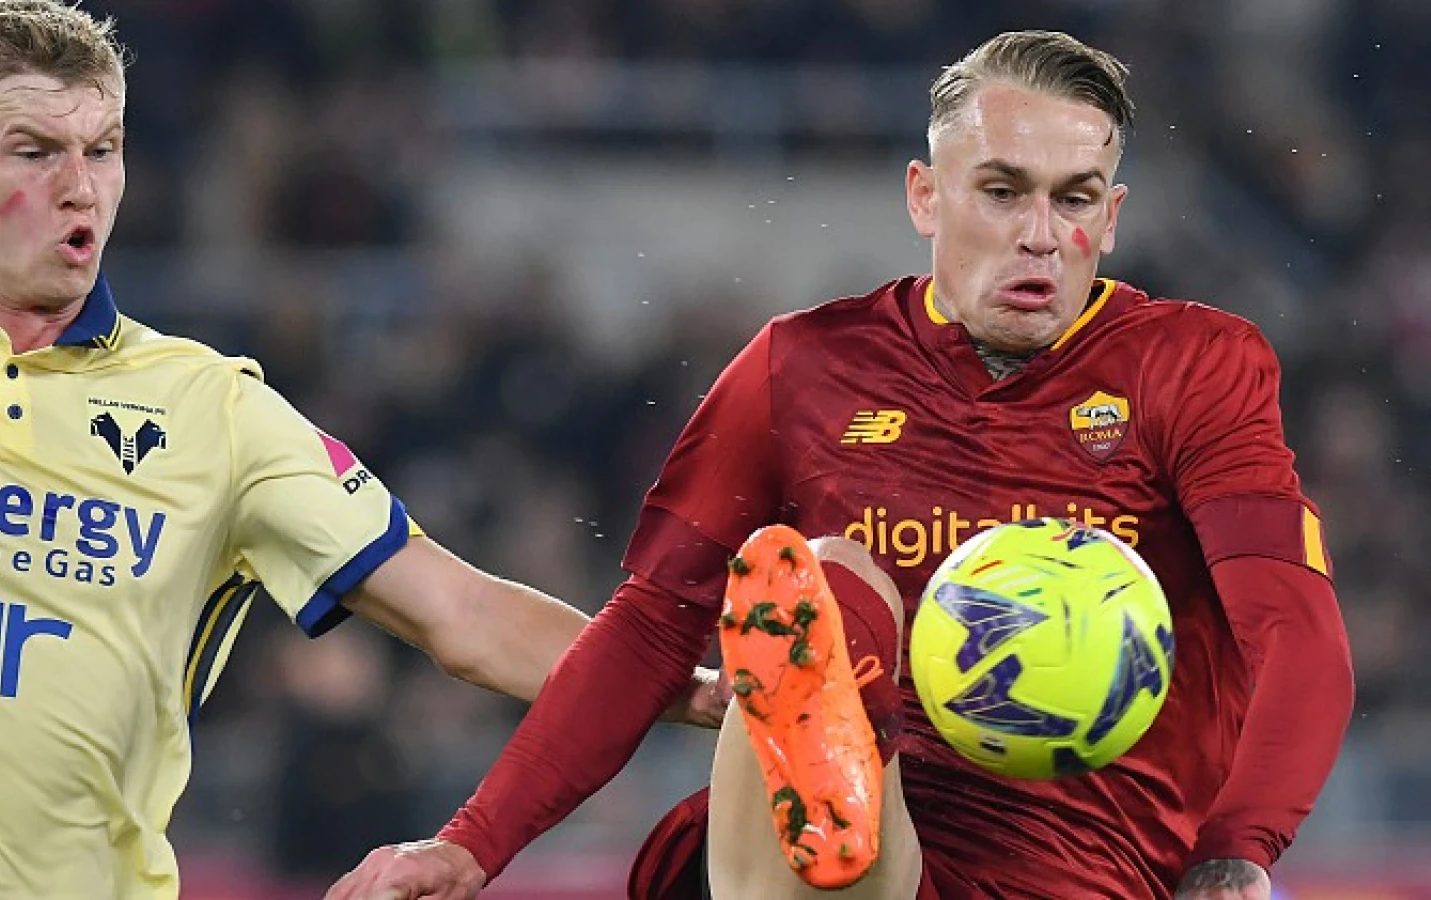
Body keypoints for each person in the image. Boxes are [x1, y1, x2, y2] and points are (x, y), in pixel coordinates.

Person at [336, 30, 1356, 900]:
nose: (1042, 235)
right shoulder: (802, 367)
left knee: (826, 593)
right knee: (820, 587)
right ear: (924, 196)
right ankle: (837, 786)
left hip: (1090, 869)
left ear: (1113, 215)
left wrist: (1235, 851)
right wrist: (473, 842)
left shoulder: (1193, 366)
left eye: (1075, 198)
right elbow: (650, 626)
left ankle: (837, 787)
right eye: (1001, 191)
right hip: (845, 846)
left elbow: (1294, 630)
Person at [0, 2, 727, 897]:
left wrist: (681, 686)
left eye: (103, 150)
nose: (82, 187)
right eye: (35, 152)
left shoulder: (214, 409)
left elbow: (463, 614)